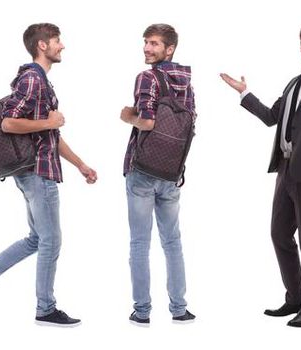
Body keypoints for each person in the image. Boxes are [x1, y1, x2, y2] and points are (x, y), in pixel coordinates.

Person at [0, 22, 99, 328]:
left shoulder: (40, 81)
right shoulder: (32, 80)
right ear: (42, 45)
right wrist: (49, 122)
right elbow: (8, 124)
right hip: (37, 172)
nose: (62, 46)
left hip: (37, 170)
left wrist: (80, 164)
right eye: (57, 40)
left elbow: (50, 134)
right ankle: (45, 308)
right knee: (51, 240)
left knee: (38, 238)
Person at [218, 22, 301, 328]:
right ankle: (295, 298)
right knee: (279, 234)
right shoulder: (293, 83)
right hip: (285, 168)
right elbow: (272, 117)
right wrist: (244, 93)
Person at [117, 23, 197, 327]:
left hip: (143, 171)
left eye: (154, 44)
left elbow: (147, 123)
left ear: (169, 48)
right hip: (171, 172)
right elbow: (190, 125)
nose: (147, 48)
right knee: (172, 241)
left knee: (139, 242)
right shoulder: (186, 82)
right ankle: (179, 309)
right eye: (146, 42)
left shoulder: (147, 78)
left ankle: (142, 311)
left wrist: (128, 116)